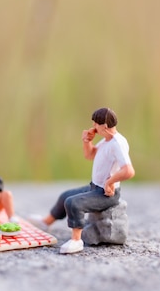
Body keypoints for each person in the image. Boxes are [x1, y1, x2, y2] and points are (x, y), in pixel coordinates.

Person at [29, 107, 135, 254]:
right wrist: (87, 141)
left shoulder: (118, 143)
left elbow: (128, 171)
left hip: (106, 194)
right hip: (95, 187)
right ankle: (46, 222)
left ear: (104, 126)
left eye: (95, 125)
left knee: (73, 203)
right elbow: (90, 155)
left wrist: (110, 182)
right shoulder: (106, 141)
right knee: (65, 196)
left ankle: (76, 240)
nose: (93, 127)